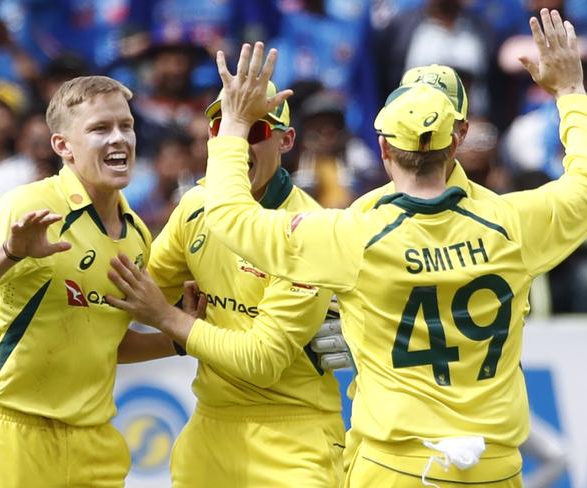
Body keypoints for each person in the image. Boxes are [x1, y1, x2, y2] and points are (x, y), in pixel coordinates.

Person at [194, 9, 582, 486]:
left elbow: (229, 216)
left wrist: (234, 125)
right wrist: (570, 92)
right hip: (493, 468)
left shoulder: (352, 235)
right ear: (455, 143)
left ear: (382, 148)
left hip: (394, 468)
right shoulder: (514, 225)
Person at [0, 75, 174, 488]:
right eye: (100, 129)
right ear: (63, 146)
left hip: (96, 443)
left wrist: (180, 337)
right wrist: (10, 253)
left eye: (126, 125)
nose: (119, 139)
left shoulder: (137, 236)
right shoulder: (29, 204)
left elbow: (106, 345)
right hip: (15, 436)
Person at [106, 81, 345, 487]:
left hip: (293, 437)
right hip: (209, 429)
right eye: (224, 130)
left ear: (286, 140)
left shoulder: (310, 230)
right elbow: (120, 307)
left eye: (254, 131)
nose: (238, 143)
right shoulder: (196, 208)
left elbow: (261, 362)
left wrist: (169, 320)